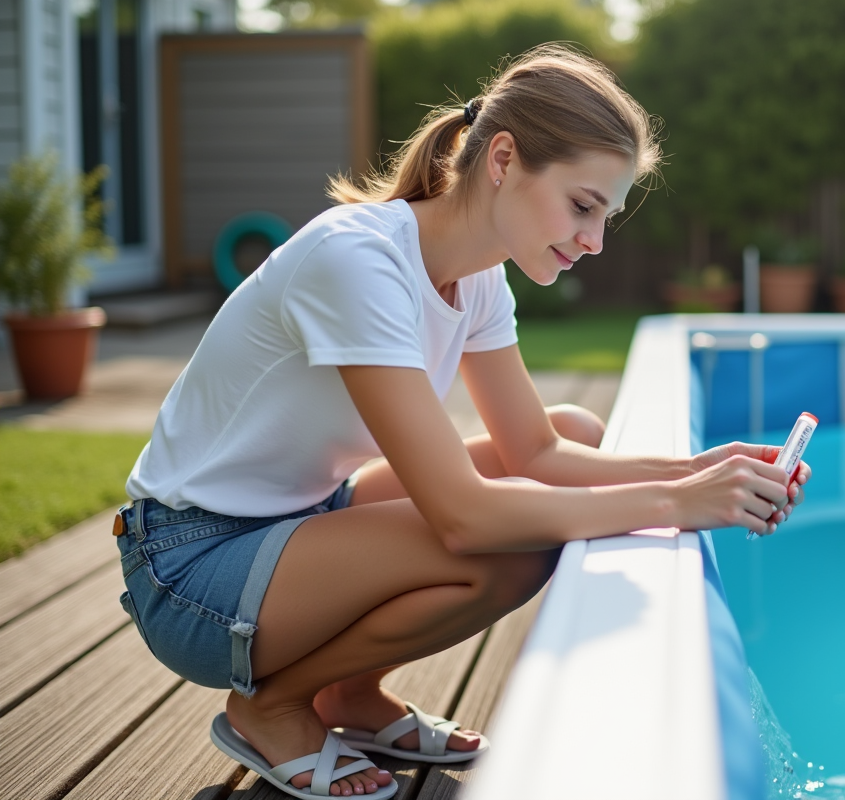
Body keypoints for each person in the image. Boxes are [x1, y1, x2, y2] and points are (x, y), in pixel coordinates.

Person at [114, 45, 809, 799]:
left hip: (297, 517)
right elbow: (464, 517)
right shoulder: (358, 261)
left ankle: (351, 696)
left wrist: (703, 470)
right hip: (192, 565)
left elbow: (536, 449)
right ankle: (272, 705)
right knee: (510, 541)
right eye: (582, 205)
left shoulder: (476, 278)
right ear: (504, 158)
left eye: (605, 215)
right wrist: (680, 505)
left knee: (572, 428)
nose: (594, 240)